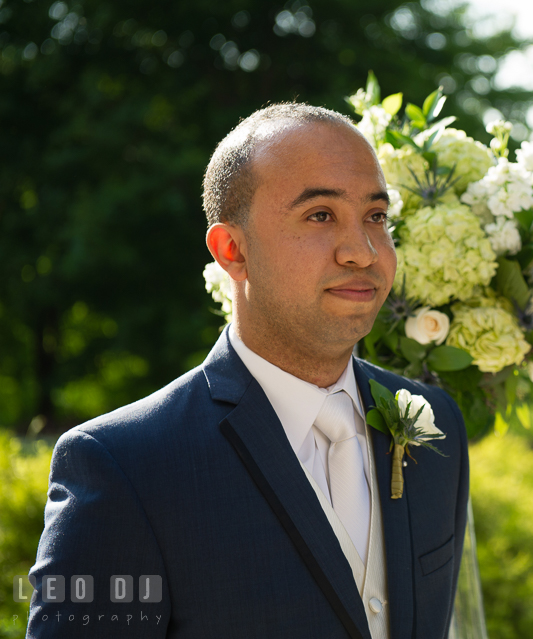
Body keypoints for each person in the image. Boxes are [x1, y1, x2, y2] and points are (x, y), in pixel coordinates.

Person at [27, 104, 469, 638]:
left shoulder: (432, 418)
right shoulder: (123, 467)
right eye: (321, 215)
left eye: (376, 216)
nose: (364, 251)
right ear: (231, 249)